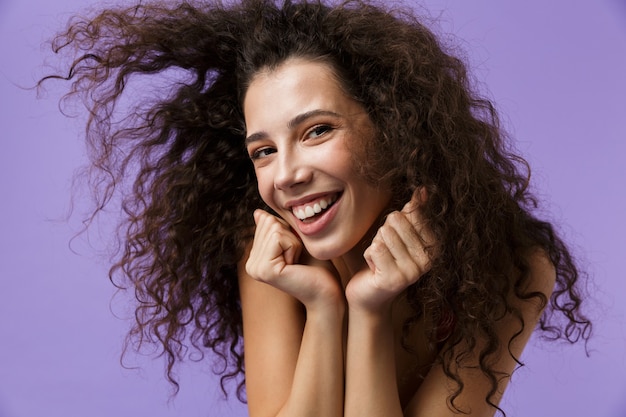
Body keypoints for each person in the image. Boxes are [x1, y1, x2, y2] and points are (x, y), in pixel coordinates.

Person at [40, 0, 591, 415]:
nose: (287, 174)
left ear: (396, 128)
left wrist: (370, 311)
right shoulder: (273, 257)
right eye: (264, 151)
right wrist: (327, 309)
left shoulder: (512, 267)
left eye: (318, 130)